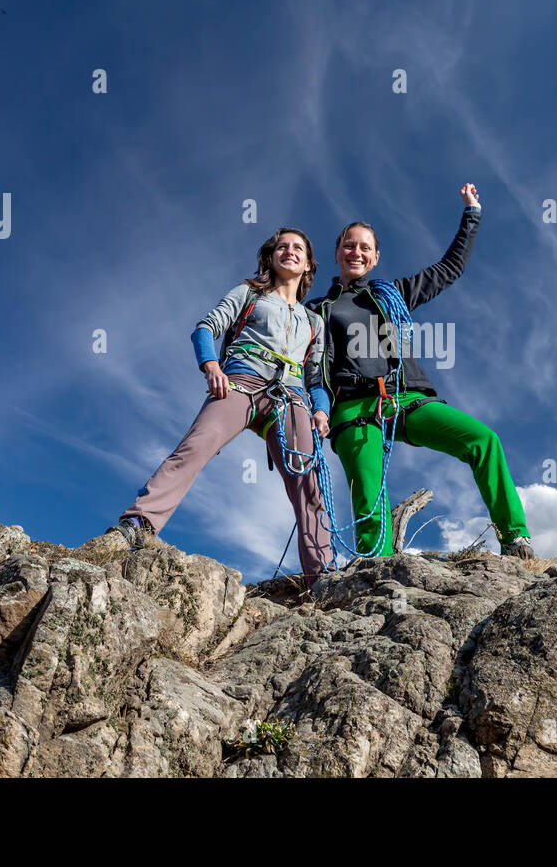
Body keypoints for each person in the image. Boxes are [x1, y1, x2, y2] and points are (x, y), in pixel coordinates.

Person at [306, 182, 534, 559]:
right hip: (352, 407)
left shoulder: (392, 293)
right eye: (349, 245)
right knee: (368, 492)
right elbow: (313, 365)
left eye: (365, 247)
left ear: (376, 257)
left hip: (405, 397)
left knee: (483, 440)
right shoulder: (318, 309)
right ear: (337, 253)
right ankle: (373, 570)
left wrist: (471, 215)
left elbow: (450, 268)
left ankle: (515, 538)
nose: (356, 252)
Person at [106, 228, 334, 586]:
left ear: (308, 265)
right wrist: (210, 364)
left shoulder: (314, 321)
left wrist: (320, 411)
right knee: (196, 445)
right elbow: (205, 328)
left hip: (290, 397)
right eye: (282, 247)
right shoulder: (248, 293)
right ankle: (138, 524)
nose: (289, 252)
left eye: (298, 249)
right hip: (240, 381)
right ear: (271, 256)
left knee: (309, 481)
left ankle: (322, 575)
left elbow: (316, 377)